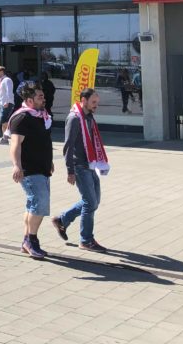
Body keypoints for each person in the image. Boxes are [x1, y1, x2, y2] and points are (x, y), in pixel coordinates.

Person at [52, 88, 110, 252]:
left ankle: (62, 220)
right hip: (80, 166)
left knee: (93, 202)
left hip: (91, 165)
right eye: (93, 103)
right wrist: (70, 170)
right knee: (90, 203)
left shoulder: (89, 117)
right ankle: (86, 240)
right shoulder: (74, 118)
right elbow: (68, 146)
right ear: (83, 100)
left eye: (97, 103)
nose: (95, 106)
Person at [8, 82, 54, 259]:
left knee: (33, 205)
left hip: (41, 168)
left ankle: (27, 240)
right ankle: (31, 240)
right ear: (29, 100)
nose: (44, 99)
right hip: (29, 170)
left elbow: (43, 141)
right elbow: (15, 145)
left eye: (43, 96)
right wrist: (17, 166)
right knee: (40, 205)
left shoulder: (41, 116)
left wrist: (49, 161)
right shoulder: (22, 118)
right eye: (40, 97)